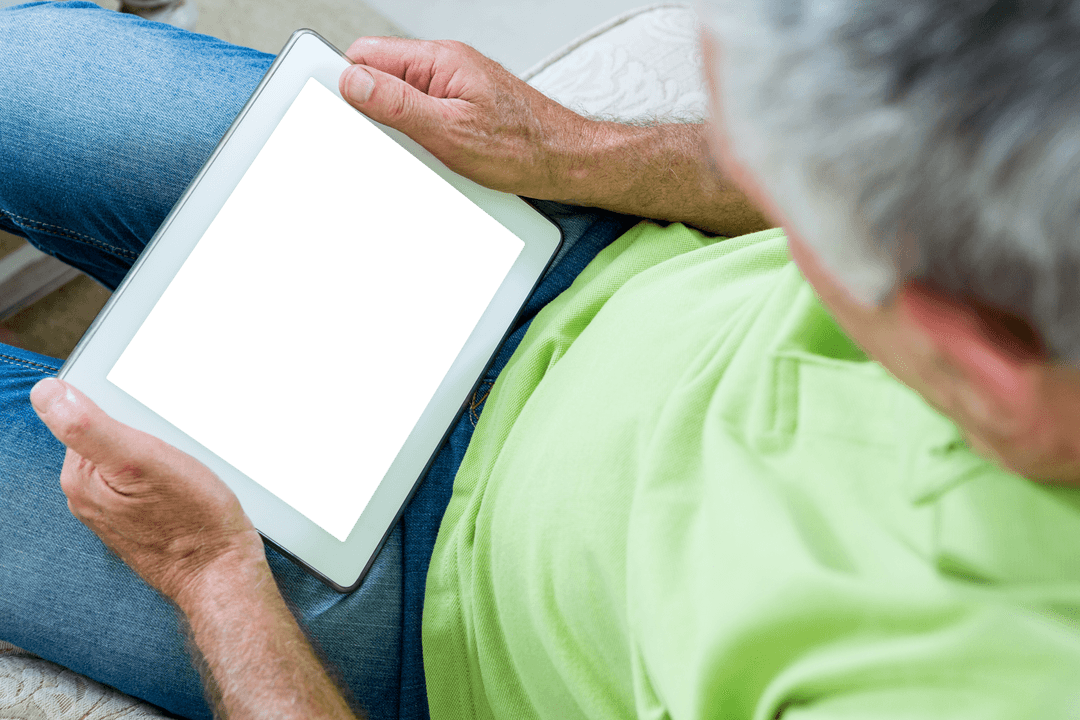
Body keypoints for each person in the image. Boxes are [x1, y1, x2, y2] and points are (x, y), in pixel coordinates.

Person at [3, 0, 1080, 718]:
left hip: (398, 599)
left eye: (810, 218)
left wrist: (211, 577)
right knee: (23, 69)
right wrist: (565, 152)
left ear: (969, 353)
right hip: (543, 256)